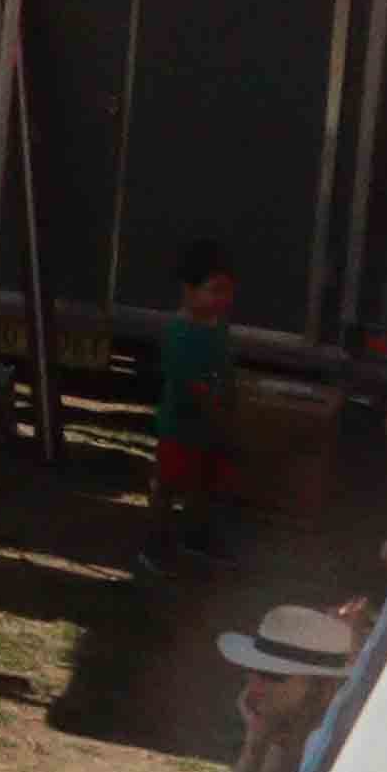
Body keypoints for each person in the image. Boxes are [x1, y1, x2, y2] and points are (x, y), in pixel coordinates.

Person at [142, 237, 246, 569]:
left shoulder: (218, 327)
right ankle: (155, 544)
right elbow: (183, 376)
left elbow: (225, 367)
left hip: (210, 426)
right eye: (214, 290)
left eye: (227, 292)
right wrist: (209, 396)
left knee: (205, 484)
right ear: (188, 290)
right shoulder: (179, 330)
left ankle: (195, 535)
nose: (222, 299)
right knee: (168, 485)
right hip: (180, 426)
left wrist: (228, 395)